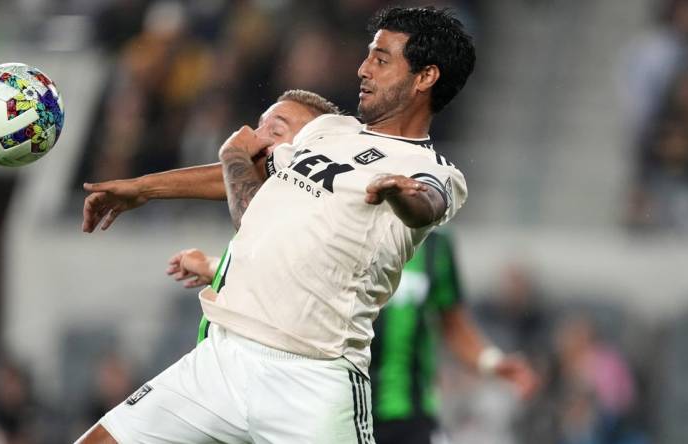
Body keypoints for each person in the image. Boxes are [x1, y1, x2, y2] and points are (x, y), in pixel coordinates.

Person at [79, 6, 475, 443]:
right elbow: (251, 173)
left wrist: (400, 193)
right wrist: (141, 189)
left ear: (425, 77)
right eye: (368, 55)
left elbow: (427, 203)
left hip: (313, 381)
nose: (363, 69)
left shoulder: (433, 169)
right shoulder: (328, 131)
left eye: (382, 60)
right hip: (222, 360)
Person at [170, 230, 538, 444]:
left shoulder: (435, 244)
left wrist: (491, 361)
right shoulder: (334, 232)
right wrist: (218, 267)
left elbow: (452, 320)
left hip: (408, 414)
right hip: (331, 412)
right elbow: (275, 278)